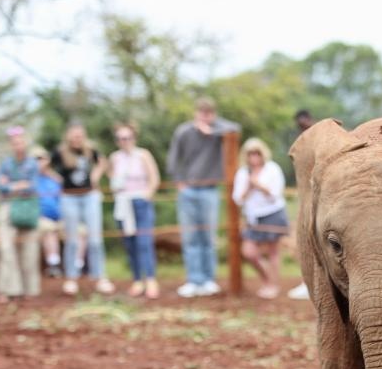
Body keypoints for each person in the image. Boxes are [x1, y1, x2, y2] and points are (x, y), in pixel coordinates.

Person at [167, 97, 238, 298]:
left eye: (209, 113)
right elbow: (173, 158)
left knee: (208, 237)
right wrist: (178, 181)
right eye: (202, 112)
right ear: (196, 113)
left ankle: (208, 279)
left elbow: (236, 128)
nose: (205, 116)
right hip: (187, 190)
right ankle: (193, 280)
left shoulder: (219, 131)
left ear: (213, 114)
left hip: (210, 190)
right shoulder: (184, 131)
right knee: (190, 237)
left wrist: (212, 129)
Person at [52, 123, 114, 296]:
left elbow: (103, 163)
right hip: (69, 197)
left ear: (83, 136)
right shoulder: (60, 152)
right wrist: (57, 179)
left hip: (90, 196)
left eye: (80, 136)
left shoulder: (90, 151)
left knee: (95, 239)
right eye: (74, 136)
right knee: (72, 239)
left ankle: (100, 276)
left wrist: (95, 176)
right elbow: (45, 167)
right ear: (68, 137)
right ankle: (71, 278)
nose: (77, 139)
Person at [109, 122, 161, 299]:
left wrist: (147, 195)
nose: (124, 141)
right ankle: (137, 280)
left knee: (144, 242)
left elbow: (154, 178)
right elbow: (113, 180)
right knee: (130, 244)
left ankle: (151, 280)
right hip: (123, 203)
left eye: (127, 138)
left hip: (141, 201)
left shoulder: (143, 155)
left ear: (134, 138)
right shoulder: (115, 158)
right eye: (120, 139)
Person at [233, 138, 289, 299]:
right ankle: (267, 279)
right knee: (249, 252)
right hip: (253, 217)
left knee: (273, 252)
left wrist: (258, 185)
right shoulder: (243, 173)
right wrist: (249, 187)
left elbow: (275, 195)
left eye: (257, 153)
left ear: (262, 154)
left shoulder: (272, 169)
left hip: (273, 213)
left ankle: (273, 285)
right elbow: (238, 199)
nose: (254, 157)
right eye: (250, 154)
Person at [0, 127, 40, 303]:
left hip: (29, 208)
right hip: (8, 208)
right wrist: (19, 185)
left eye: (20, 142)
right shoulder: (6, 163)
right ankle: (9, 289)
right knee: (6, 249)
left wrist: (12, 185)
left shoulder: (32, 163)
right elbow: (0, 186)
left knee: (30, 248)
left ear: (25, 143)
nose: (18, 145)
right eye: (15, 142)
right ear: (11, 145)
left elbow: (33, 186)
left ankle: (30, 289)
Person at [286, 109, 315, 302]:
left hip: (321, 193)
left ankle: (313, 282)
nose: (302, 123)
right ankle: (308, 281)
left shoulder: (317, 137)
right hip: (307, 194)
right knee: (305, 236)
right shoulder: (302, 139)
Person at [32, 148, 63, 277]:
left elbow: (65, 189)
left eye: (42, 158)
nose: (39, 162)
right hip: (41, 218)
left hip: (61, 217)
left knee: (80, 231)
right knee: (49, 230)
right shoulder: (31, 179)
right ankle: (53, 265)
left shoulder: (55, 178)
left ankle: (80, 268)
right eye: (36, 159)